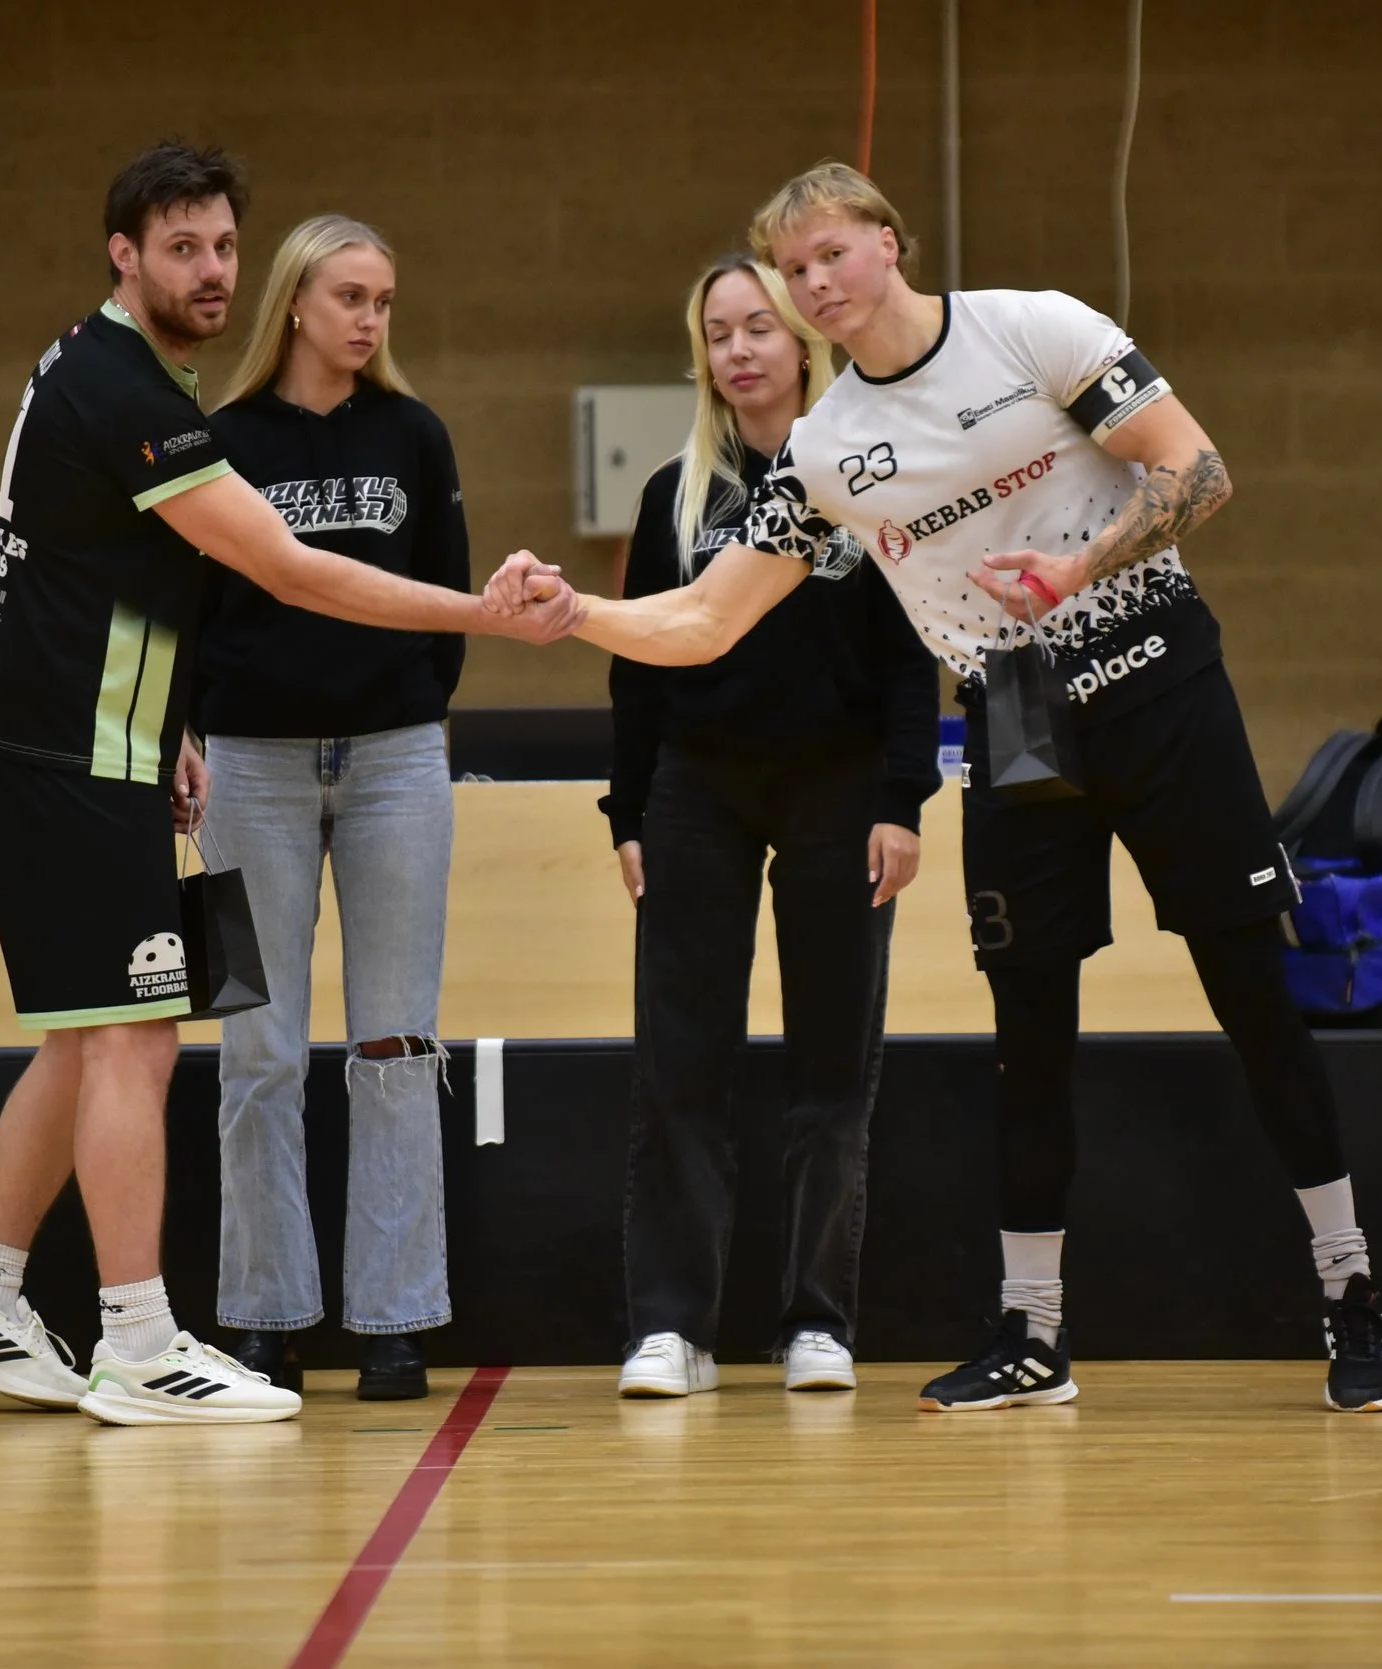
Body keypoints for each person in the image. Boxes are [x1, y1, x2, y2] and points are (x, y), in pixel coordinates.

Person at [489, 164, 1382, 1414]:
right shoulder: (823, 451)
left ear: (888, 242)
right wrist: (576, 612)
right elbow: (704, 619)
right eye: (793, 269)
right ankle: (1031, 1332)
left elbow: (1197, 471)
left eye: (830, 254)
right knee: (1028, 1033)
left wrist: (1078, 566)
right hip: (1018, 717)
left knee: (1249, 987)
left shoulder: (1034, 330)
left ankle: (1352, 1289)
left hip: (1154, 677)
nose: (814, 283)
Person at [0, 144, 577, 1427]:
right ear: (124, 256)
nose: (210, 270)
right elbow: (287, 568)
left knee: (87, 1037)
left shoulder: (105, 368)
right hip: (73, 759)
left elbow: (126, 583)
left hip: (89, 750)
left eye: (222, 246)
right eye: (182, 249)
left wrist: (169, 726)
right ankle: (140, 1340)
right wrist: (487, 615)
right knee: (139, 1037)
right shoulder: (123, 386)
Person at [606, 254, 940, 1398]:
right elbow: (637, 664)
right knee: (680, 1062)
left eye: (759, 326)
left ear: (804, 341)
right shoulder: (677, 494)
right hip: (697, 790)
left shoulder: (866, 476)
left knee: (830, 1064)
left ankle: (817, 1320)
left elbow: (911, 655)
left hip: (839, 789)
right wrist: (627, 808)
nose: (739, 349)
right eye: (718, 333)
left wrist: (901, 801)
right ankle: (671, 1326)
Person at [193, 215, 467, 1402]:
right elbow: (183, 603)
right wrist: (188, 734)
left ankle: (394, 1319)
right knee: (255, 1046)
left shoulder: (415, 433)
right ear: (296, 302)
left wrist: (408, 707)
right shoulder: (220, 440)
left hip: (396, 762)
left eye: (384, 300)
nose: (369, 318)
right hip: (247, 767)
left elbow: (448, 596)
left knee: (397, 1040)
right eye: (351, 296)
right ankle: (265, 1316)